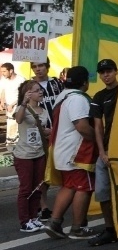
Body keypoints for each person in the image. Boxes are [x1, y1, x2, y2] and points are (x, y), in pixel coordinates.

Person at [43, 66, 98, 240]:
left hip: (62, 150)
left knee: (69, 186)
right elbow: (81, 126)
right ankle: (77, 227)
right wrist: (98, 140)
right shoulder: (77, 99)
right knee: (84, 187)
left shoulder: (63, 96)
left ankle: (55, 222)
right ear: (84, 82)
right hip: (77, 152)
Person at [87, 59, 118, 247]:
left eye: (109, 71)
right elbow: (97, 126)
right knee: (102, 192)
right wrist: (102, 152)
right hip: (107, 150)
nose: (106, 75)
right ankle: (110, 229)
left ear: (116, 71)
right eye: (102, 72)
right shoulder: (99, 96)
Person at [12, 80, 50, 232]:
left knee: (37, 188)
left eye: (40, 89)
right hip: (24, 155)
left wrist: (48, 131)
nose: (40, 92)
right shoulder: (22, 109)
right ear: (28, 93)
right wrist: (23, 102)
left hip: (39, 153)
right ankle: (24, 221)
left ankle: (34, 217)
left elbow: (42, 130)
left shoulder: (44, 110)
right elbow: (18, 119)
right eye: (36, 90)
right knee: (26, 189)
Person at [32, 58, 63, 222]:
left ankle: (63, 203)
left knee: (61, 168)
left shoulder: (57, 84)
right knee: (43, 172)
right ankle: (43, 206)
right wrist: (41, 129)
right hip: (41, 136)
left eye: (41, 65)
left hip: (60, 132)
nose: (38, 69)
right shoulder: (29, 86)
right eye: (34, 66)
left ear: (47, 66)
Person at [1, 62, 26, 145]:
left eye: (4, 71)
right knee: (10, 124)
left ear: (11, 71)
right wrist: (2, 101)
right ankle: (10, 142)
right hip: (8, 107)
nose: (3, 73)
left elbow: (23, 95)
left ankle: (16, 143)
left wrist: (13, 104)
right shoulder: (4, 80)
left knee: (16, 125)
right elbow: (3, 91)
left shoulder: (21, 79)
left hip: (18, 107)